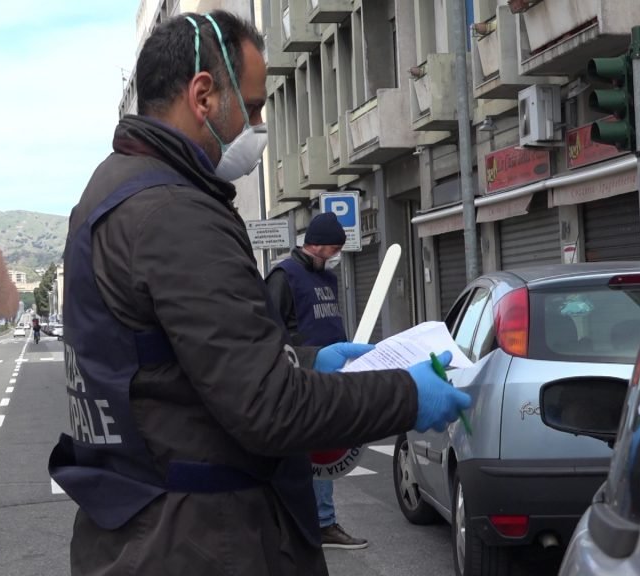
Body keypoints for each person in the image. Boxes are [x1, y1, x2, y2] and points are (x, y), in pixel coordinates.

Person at [50, 11, 470, 576]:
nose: (259, 122)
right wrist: (408, 396)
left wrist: (308, 359)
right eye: (251, 107)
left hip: (138, 531)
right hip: (201, 541)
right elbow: (268, 409)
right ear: (203, 95)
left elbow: (175, 360)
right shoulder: (176, 215)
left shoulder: (109, 190)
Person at [265, 212, 365, 550]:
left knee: (323, 451)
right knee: (313, 452)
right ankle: (315, 523)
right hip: (301, 376)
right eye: (333, 248)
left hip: (331, 374)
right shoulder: (283, 276)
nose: (336, 254)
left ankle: (319, 522)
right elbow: (270, 329)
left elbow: (331, 322)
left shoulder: (329, 278)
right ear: (317, 245)